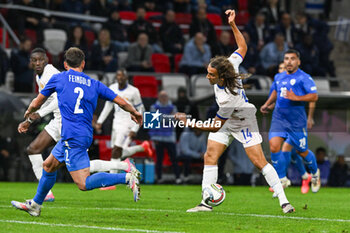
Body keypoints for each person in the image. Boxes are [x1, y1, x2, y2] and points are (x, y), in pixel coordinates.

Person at [176, 10, 295, 214]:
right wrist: (232, 24)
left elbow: (214, 125)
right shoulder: (230, 63)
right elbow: (242, 46)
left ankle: (284, 201)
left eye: (211, 74)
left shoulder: (227, 98)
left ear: (221, 76)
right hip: (225, 119)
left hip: (242, 119)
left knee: (259, 162)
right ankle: (205, 203)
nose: (207, 77)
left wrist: (189, 122)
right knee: (210, 155)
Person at [11, 47, 142, 217]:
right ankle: (36, 205)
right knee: (48, 166)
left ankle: (126, 177)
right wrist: (134, 112)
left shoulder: (59, 78)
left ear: (65, 64)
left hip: (73, 137)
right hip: (81, 134)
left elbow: (37, 102)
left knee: (83, 183)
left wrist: (28, 114)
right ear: (83, 64)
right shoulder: (94, 83)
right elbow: (119, 100)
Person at [260, 49, 321, 195]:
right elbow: (275, 90)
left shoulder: (304, 78)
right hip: (279, 119)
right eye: (286, 58)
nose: (289, 61)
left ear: (298, 61)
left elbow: (314, 96)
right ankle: (281, 179)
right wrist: (267, 104)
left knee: (301, 151)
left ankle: (314, 172)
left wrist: (296, 98)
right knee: (274, 146)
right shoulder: (278, 76)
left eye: (292, 59)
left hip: (296, 122)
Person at [91, 68, 152, 186]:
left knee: (116, 152)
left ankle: (111, 183)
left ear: (126, 78)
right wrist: (100, 121)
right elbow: (108, 106)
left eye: (122, 76)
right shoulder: (112, 88)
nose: (120, 78)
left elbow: (141, 109)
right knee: (118, 153)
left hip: (128, 124)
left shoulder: (134, 91)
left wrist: (135, 128)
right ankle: (142, 147)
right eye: (118, 76)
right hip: (116, 123)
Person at [16, 48, 61, 202]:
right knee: (33, 150)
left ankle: (125, 170)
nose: (37, 63)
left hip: (69, 120)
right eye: (34, 60)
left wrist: (38, 114)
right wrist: (29, 120)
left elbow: (59, 100)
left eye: (40, 59)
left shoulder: (50, 73)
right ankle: (46, 193)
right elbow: (43, 99)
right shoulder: (39, 77)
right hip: (58, 120)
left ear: (46, 60)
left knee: (79, 167)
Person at [149, 90, 181, 184]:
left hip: (170, 137)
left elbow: (175, 120)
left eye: (165, 96)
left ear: (168, 98)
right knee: (159, 159)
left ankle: (178, 178)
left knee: (174, 159)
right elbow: (155, 120)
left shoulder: (173, 107)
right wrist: (169, 116)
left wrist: (162, 117)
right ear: (158, 97)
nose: (163, 98)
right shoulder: (153, 107)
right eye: (162, 96)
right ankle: (159, 178)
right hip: (158, 137)